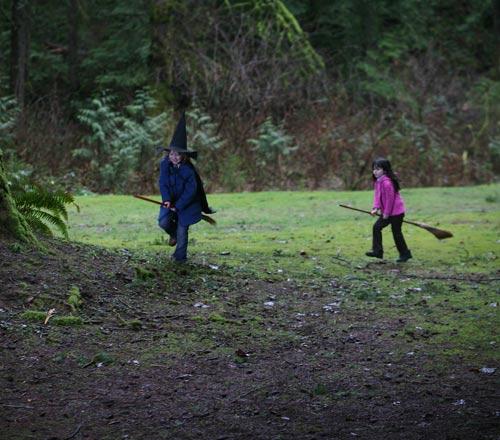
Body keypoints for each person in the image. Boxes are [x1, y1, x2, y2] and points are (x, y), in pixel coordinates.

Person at [158, 112, 211, 263]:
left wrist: (179, 205)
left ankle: (180, 257)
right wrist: (167, 200)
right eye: (172, 154)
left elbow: (191, 191)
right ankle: (172, 234)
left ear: (184, 156)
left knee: (183, 227)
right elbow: (163, 182)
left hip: (188, 203)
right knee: (163, 221)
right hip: (171, 200)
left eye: (178, 154)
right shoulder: (164, 165)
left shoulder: (188, 171)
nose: (174, 157)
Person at [365, 157, 412, 263]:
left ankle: (405, 254)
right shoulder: (378, 182)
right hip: (387, 212)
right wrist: (375, 208)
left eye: (378, 169)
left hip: (396, 212)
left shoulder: (387, 183)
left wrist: (386, 213)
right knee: (376, 227)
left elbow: (390, 200)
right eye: (374, 169)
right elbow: (377, 196)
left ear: (385, 170)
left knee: (396, 232)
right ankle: (377, 251)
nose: (375, 171)